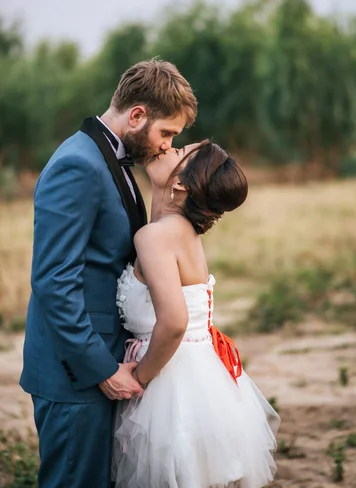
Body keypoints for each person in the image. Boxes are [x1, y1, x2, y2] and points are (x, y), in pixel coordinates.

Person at [20, 59, 197, 488]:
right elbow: (53, 281)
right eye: (165, 133)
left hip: (99, 363)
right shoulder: (78, 165)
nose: (166, 146)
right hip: (74, 373)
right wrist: (101, 368)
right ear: (137, 115)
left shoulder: (111, 160)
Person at [113, 140, 280, 488]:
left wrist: (139, 379)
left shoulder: (155, 237)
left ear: (181, 184)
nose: (166, 148)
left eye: (179, 151)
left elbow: (174, 322)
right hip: (198, 372)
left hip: (171, 384)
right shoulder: (181, 233)